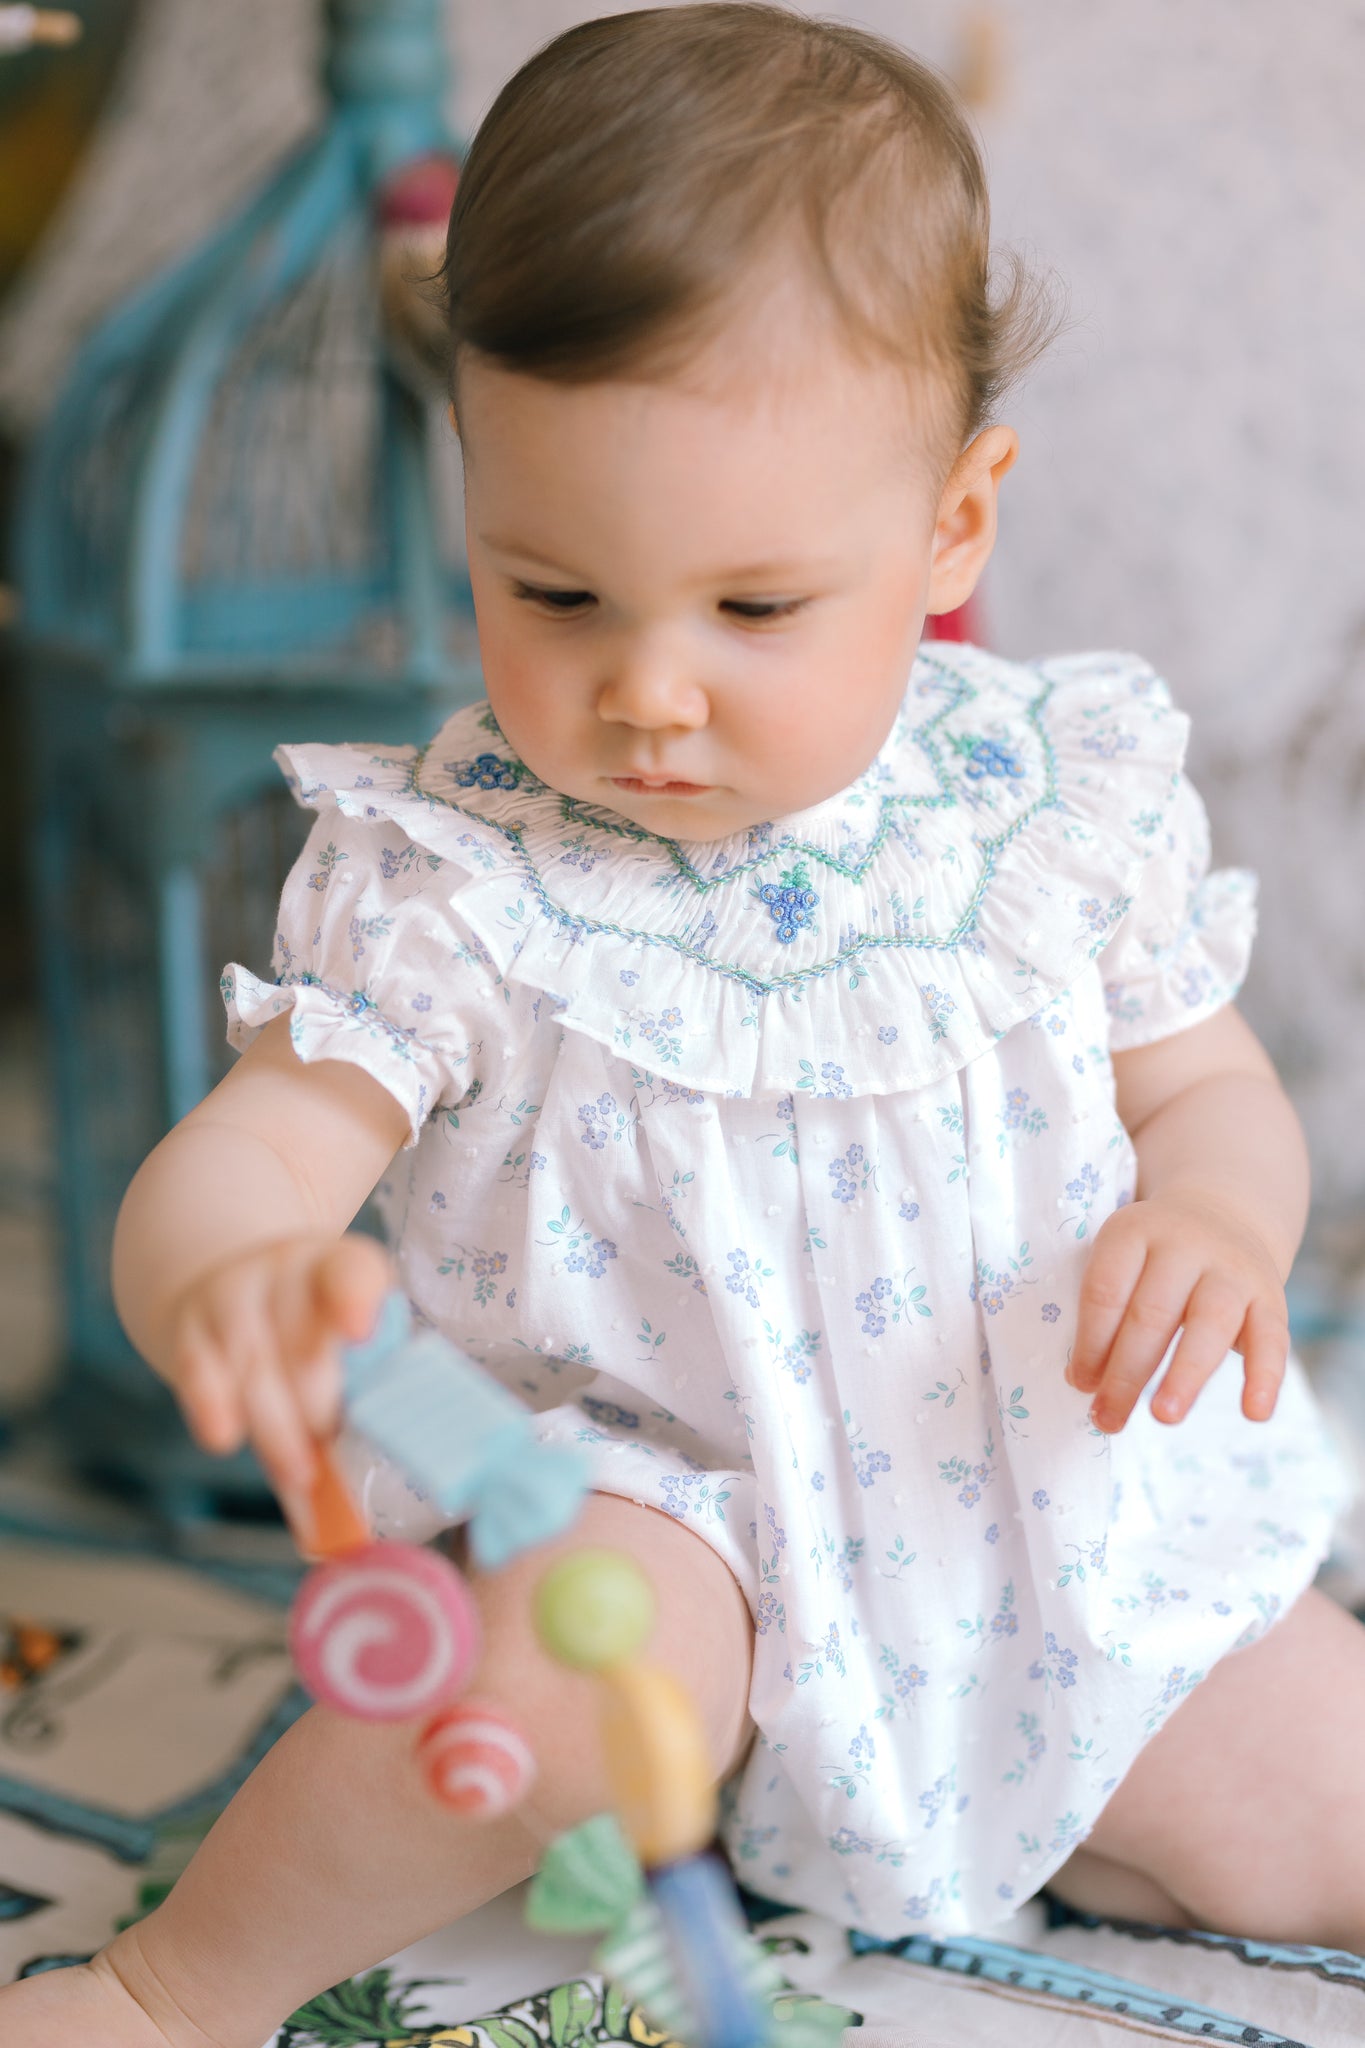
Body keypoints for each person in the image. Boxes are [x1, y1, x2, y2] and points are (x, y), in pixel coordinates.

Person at [8, 6, 1364, 2042]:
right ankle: (173, 1984)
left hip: (1048, 1512)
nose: (646, 690)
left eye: (749, 610)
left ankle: (1070, 1806)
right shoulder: (456, 876)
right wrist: (234, 1268)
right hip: (652, 1519)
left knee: (1315, 1814)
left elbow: (1208, 1092)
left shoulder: (1046, 806)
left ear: (951, 527)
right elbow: (258, 1148)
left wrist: (1217, 1221)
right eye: (551, 592)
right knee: (535, 1683)